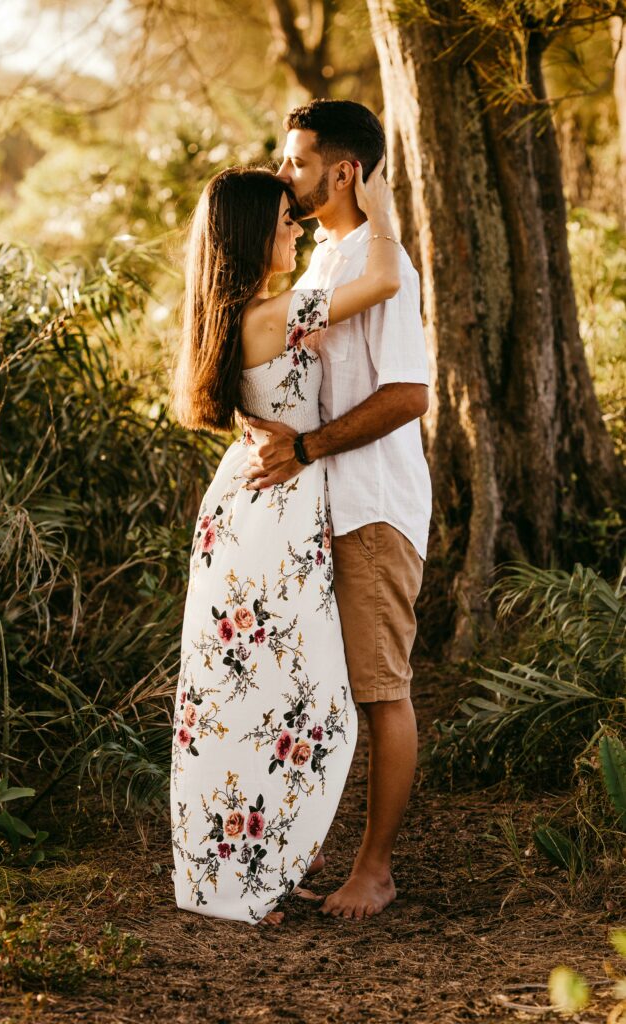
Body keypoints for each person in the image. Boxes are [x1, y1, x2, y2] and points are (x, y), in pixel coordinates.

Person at [170, 159, 401, 925]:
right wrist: (382, 211)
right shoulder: (274, 315)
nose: (294, 227)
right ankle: (237, 884)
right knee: (291, 699)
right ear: (249, 236)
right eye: (281, 221)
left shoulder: (241, 314)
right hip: (269, 520)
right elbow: (385, 284)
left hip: (254, 508)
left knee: (255, 698)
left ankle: (252, 869)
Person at [243, 99, 432, 921]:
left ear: (343, 170)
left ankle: (376, 869)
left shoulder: (380, 262)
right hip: (317, 511)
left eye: (295, 161)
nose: (284, 175)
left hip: (372, 506)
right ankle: (295, 851)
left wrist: (309, 451)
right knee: (317, 693)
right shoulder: (323, 263)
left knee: (380, 690)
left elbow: (408, 395)